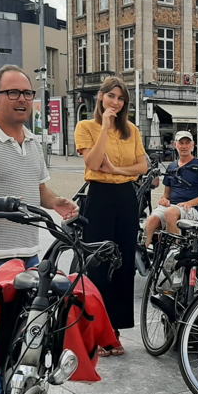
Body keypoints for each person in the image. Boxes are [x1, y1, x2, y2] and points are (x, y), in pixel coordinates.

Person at [0, 64, 78, 394]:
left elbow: (39, 190)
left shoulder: (33, 142)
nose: (21, 99)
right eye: (13, 92)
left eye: (26, 93)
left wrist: (57, 202)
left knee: (27, 333)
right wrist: (2, 206)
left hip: (28, 253)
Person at [75, 76, 148, 356]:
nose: (116, 102)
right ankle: (96, 331)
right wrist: (105, 127)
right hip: (99, 197)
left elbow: (142, 166)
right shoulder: (86, 127)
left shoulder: (132, 130)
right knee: (98, 264)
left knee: (124, 263)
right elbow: (93, 162)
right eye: (111, 96)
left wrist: (117, 170)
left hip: (126, 197)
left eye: (120, 98)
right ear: (101, 96)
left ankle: (114, 330)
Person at [142, 130, 198, 250]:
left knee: (170, 213)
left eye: (187, 143)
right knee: (151, 220)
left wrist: (189, 203)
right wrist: (164, 200)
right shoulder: (171, 166)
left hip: (191, 209)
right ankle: (144, 253)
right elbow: (166, 195)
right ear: (175, 145)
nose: (184, 146)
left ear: (192, 145)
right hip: (172, 207)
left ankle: (175, 250)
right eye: (181, 143)